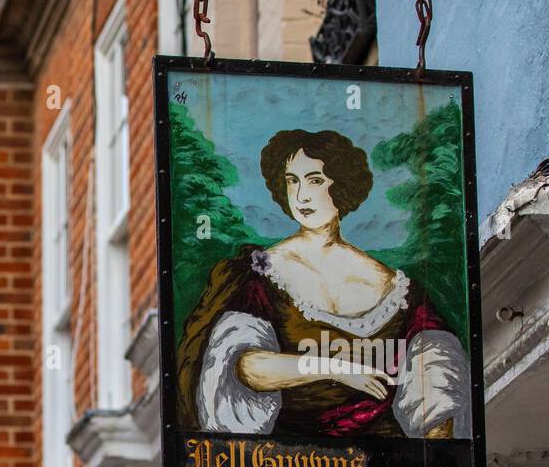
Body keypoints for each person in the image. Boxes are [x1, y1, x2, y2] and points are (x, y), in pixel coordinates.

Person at [176, 129, 471, 440]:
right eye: (292, 180)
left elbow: (437, 376)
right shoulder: (262, 272)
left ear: (340, 184)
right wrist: (336, 369)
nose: (301, 195)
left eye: (315, 180)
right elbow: (245, 366)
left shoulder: (397, 288)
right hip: (292, 463)